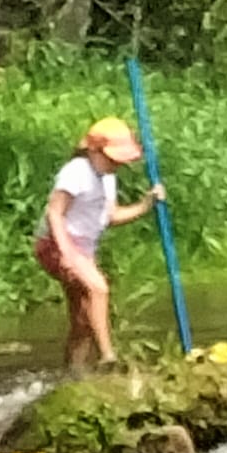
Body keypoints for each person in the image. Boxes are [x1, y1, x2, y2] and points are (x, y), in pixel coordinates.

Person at [34, 118, 165, 369]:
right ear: (93, 150)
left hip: (83, 250)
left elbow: (110, 216)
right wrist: (68, 253)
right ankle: (108, 357)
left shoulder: (107, 177)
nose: (117, 165)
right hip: (55, 244)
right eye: (112, 158)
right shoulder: (76, 172)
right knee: (98, 288)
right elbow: (55, 213)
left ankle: (74, 373)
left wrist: (146, 204)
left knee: (83, 318)